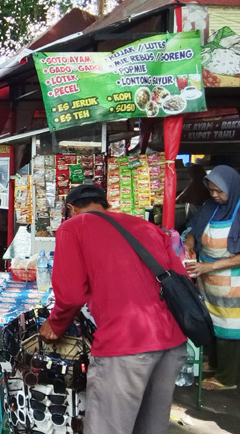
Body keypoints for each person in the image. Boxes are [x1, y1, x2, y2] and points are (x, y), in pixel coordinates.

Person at [40, 184, 187, 434]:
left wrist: (55, 324)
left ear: (71, 209)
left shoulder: (73, 227)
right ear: (105, 204)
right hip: (171, 342)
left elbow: (72, 294)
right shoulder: (147, 227)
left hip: (126, 342)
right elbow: (181, 277)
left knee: (108, 427)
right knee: (152, 426)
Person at [183, 165, 240, 391]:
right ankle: (215, 364)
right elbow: (193, 232)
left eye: (220, 191)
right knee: (213, 323)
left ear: (233, 188)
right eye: (212, 190)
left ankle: (228, 379)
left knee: (230, 328)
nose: (215, 195)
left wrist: (211, 266)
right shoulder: (210, 207)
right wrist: (190, 245)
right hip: (208, 279)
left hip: (233, 281)